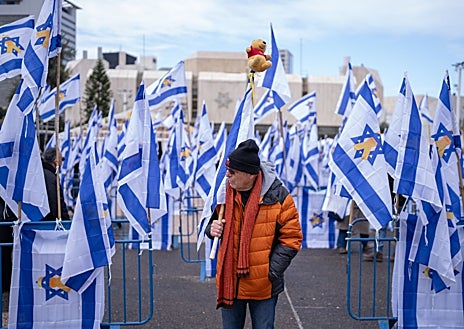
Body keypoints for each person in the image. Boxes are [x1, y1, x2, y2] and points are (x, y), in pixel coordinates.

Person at [206, 139, 302, 329]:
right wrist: (211, 229)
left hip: (264, 285)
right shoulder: (222, 194)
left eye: (232, 172)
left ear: (250, 174)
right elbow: (209, 223)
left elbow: (292, 238)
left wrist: (271, 272)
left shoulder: (279, 196)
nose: (227, 175)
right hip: (230, 282)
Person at [42, 148, 70, 221]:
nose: (62, 162)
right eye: (61, 159)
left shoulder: (41, 173)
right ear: (56, 160)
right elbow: (55, 202)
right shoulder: (51, 177)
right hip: (49, 221)